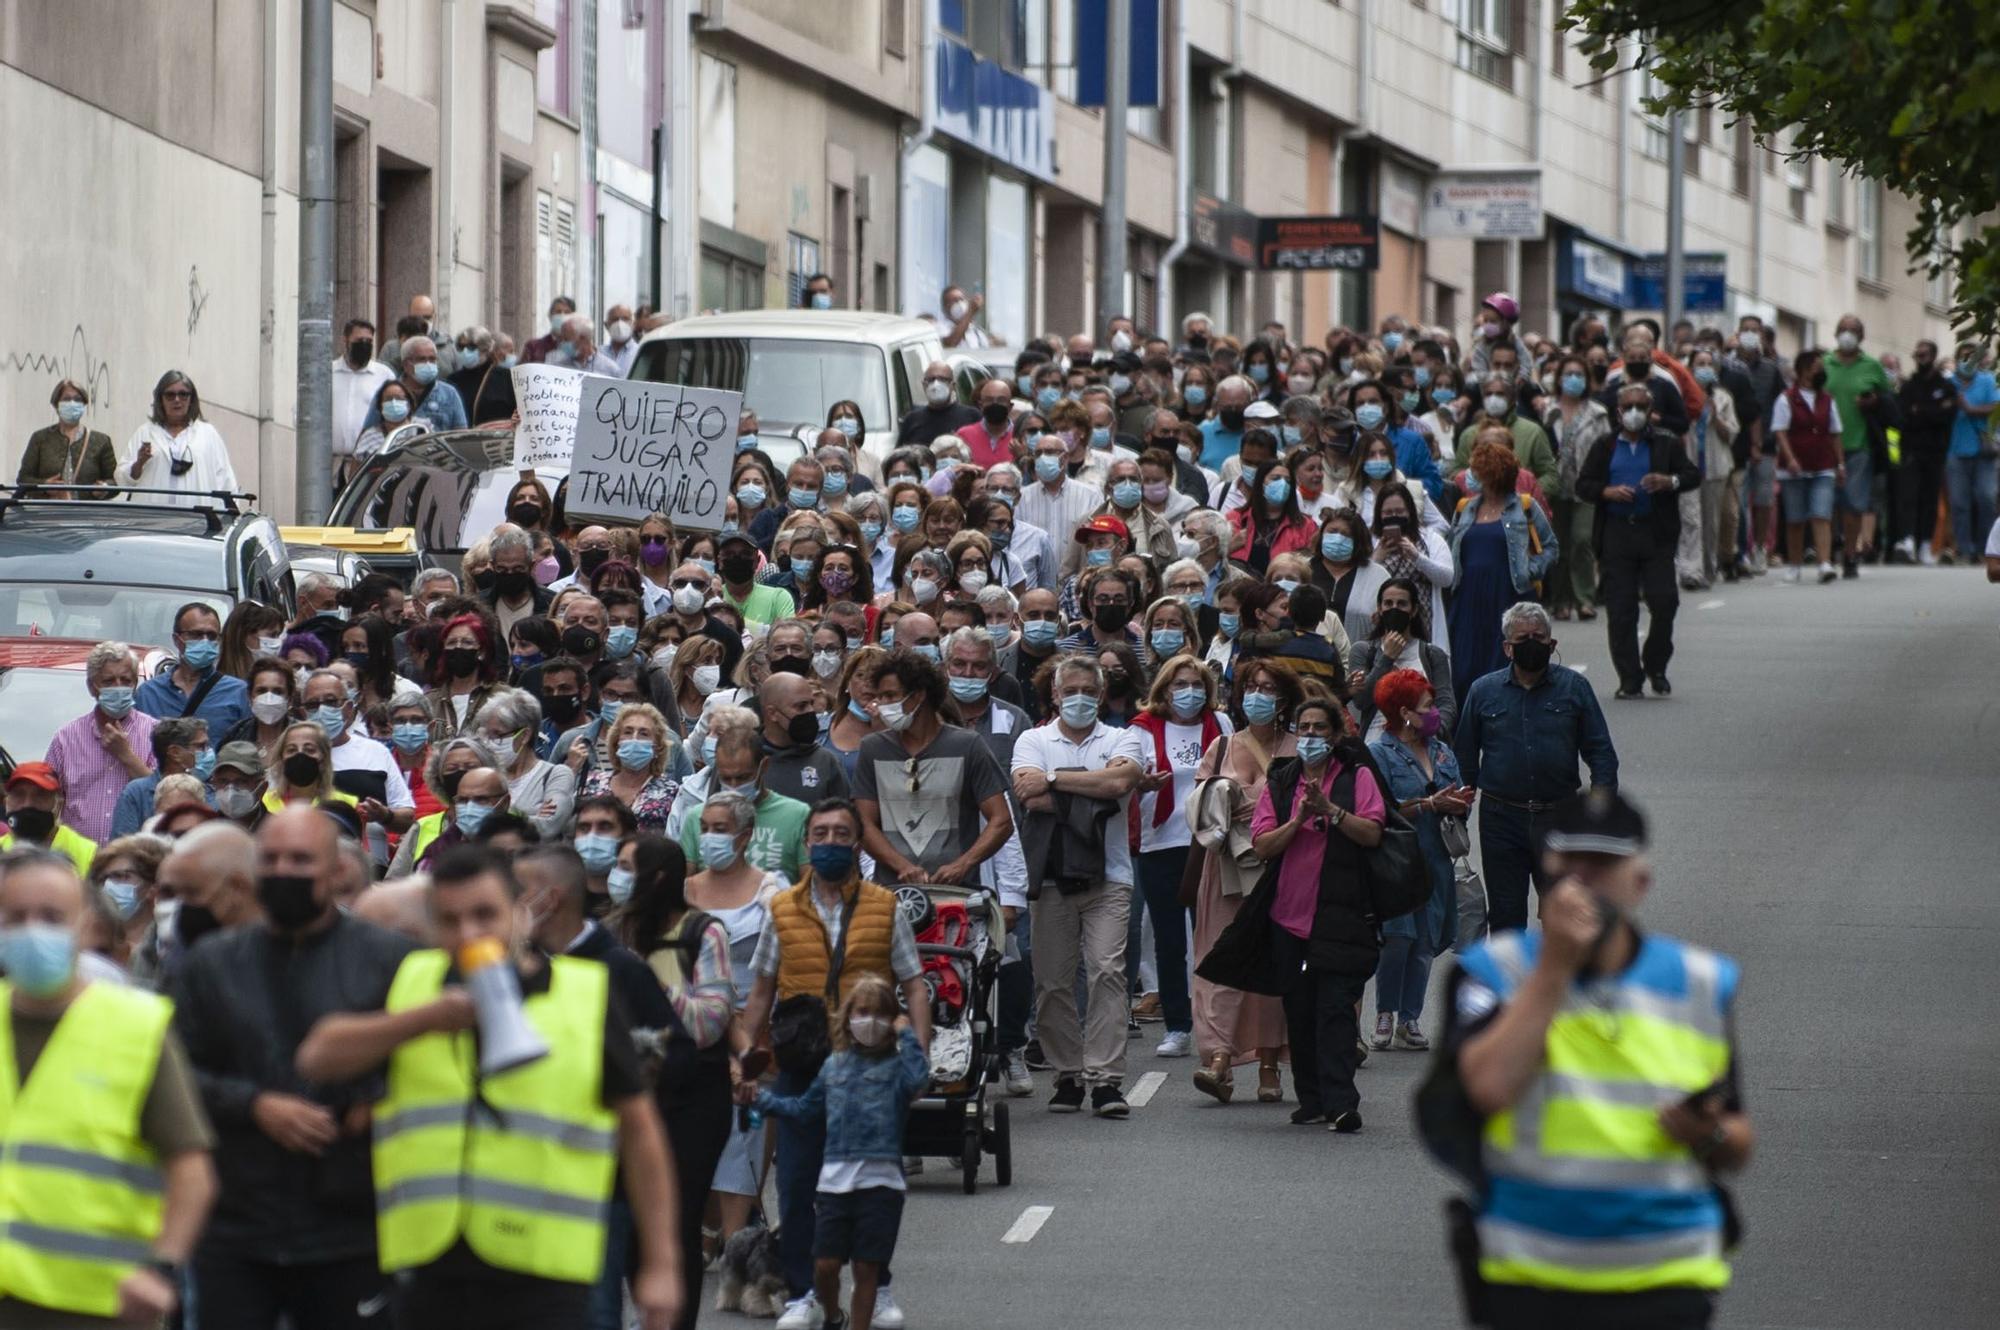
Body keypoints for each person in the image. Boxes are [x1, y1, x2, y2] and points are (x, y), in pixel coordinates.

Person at [294, 844, 683, 1330]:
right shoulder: (413, 982)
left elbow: (642, 1135)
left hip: (545, 1275)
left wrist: (662, 1264)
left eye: (485, 914)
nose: (469, 933)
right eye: (450, 920)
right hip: (428, 1270)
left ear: (522, 913)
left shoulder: (583, 995)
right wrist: (420, 1020)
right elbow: (317, 1057)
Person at [1450, 789, 1752, 1330]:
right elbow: (1488, 1088)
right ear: (1546, 872)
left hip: (1666, 1278)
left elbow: (1737, 1135)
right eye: (1571, 863)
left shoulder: (1699, 982)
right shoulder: (1495, 973)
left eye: (1603, 864)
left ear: (1640, 881)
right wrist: (1555, 969)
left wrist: (1706, 1134)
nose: (1584, 879)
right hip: (1530, 1278)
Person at [171, 811, 416, 1330]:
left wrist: (376, 1096)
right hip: (235, 1225)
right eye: (272, 859)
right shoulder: (210, 963)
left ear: (335, 871)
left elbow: (424, 1063)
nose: (285, 871)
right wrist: (255, 1105)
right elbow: (174, 1072)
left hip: (352, 1227)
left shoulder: (391, 959)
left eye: (301, 860)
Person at [733, 799, 930, 1330]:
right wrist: (744, 1060)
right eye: (820, 833)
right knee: (797, 1186)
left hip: (870, 1065)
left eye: (842, 833)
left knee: (873, 1186)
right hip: (802, 1061)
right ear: (808, 842)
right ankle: (803, 1294)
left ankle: (879, 1287)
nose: (830, 842)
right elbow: (760, 991)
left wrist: (919, 1053)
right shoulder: (781, 910)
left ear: (857, 843)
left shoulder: (885, 906)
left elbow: (912, 983)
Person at [0, 849, 218, 1325]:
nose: (33, 930)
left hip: (99, 1304)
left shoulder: (134, 1027)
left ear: (82, 926)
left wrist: (161, 1268)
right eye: (15, 918)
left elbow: (192, 1170)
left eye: (51, 917)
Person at [597, 837, 735, 1330]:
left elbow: (710, 1022)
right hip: (624, 1094)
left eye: (626, 867)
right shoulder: (609, 934)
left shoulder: (703, 932)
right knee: (626, 1225)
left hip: (692, 1096)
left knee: (676, 1224)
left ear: (657, 876)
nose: (615, 875)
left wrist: (650, 987)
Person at [751, 977, 930, 1330]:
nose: (870, 1021)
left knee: (866, 1267)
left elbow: (918, 1078)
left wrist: (908, 1035)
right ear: (847, 1018)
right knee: (826, 1265)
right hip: (835, 1184)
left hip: (882, 1185)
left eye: (880, 1014)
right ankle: (832, 1314)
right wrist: (759, 1099)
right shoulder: (834, 1067)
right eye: (862, 1012)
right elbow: (804, 1109)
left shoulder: (896, 1069)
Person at [1012, 655, 1147, 1118]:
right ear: (1053, 695)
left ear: (1103, 694)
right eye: (1070, 690)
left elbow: (1120, 783)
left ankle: (1106, 1079)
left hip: (1110, 876)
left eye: (1089, 690)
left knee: (1108, 972)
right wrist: (1092, 786)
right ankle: (1068, 1074)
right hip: (1051, 878)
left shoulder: (1124, 737)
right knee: (1052, 981)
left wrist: (1053, 780)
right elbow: (1026, 795)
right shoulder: (1033, 738)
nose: (1080, 699)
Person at [1246, 696, 1385, 1131]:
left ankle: (1342, 1102)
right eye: (1303, 728)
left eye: (1319, 729)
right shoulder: (1282, 782)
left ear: (1335, 735)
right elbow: (1262, 845)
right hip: (1289, 915)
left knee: (1335, 1010)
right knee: (1300, 1010)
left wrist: (1332, 811)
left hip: (1342, 914)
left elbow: (1373, 832)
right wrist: (1298, 818)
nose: (1310, 737)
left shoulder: (1357, 776)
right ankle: (1312, 1099)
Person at [1453, 603, 1617, 934]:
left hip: (1560, 818)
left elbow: (1601, 753)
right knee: (1506, 916)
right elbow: (1465, 759)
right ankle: (1511, 985)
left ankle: (1557, 982)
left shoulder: (1574, 688)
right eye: (1522, 637)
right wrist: (1456, 817)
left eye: (1538, 637)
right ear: (1507, 648)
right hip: (1501, 820)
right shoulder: (1483, 691)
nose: (1531, 643)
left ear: (1552, 644)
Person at [1366, 669, 1472, 1051]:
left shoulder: (1443, 751)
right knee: (1397, 937)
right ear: (1405, 713)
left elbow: (1456, 799)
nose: (1435, 714)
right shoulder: (1380, 753)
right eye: (1427, 707)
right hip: (1397, 861)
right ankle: (1385, 1013)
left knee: (1427, 942)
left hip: (1436, 859)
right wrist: (1428, 804)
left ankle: (1410, 1018)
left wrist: (1458, 804)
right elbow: (1382, 809)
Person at [1575, 381, 1703, 699]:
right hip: (1617, 534)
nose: (1634, 413)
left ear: (1650, 412)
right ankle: (1629, 678)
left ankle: (1655, 664)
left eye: (1640, 407)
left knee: (1664, 601)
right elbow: (1584, 484)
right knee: (1621, 610)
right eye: (1628, 407)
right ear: (1618, 412)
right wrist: (1607, 492)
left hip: (1655, 534)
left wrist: (1668, 480)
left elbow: (1691, 475)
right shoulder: (1605, 445)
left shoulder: (1665, 443)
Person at [1447, 436, 1558, 702]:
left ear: (1491, 474)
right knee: (1464, 666)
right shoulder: (1465, 508)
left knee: (1504, 664)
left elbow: (1550, 546)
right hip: (1468, 597)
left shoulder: (1525, 507)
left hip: (1509, 594)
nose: (1470, 477)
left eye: (1477, 471)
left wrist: (1531, 571)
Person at [46, 641, 156, 845]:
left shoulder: (154, 733)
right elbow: (48, 802)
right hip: (77, 862)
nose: (118, 687)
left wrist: (127, 756)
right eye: (108, 681)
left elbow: (161, 796)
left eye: (125, 680)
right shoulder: (66, 738)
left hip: (134, 861)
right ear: (92, 687)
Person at [679, 733, 809, 880]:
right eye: (726, 778)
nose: (734, 787)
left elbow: (809, 887)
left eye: (742, 777)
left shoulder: (797, 815)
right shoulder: (699, 817)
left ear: (764, 766)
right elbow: (685, 885)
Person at [1822, 315, 1896, 575]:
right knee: (1827, 503)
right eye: (1842, 329)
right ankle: (1827, 552)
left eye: (1853, 330)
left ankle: (1851, 554)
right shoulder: (1825, 363)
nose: (1847, 334)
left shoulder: (1872, 366)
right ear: (1835, 333)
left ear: (1861, 337)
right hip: (1825, 445)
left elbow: (1889, 403)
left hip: (1860, 444)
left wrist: (1873, 402)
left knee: (1854, 503)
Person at [1347, 577, 1456, 743]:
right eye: (1388, 604)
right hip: (1375, 746)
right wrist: (1387, 658)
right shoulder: (1362, 650)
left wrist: (1434, 731)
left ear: (1413, 610)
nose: (1394, 609)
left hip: (1422, 746)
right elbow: (1361, 701)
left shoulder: (1432, 655)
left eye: (1402, 604)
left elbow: (1446, 703)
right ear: (1379, 608)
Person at [1771, 348, 1846, 585]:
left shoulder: (1827, 400)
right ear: (1804, 371)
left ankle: (1824, 563)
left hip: (1823, 466)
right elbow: (1780, 432)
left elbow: (1835, 434)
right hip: (1793, 469)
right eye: (1817, 368)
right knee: (1795, 518)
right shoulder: (1786, 398)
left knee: (1821, 514)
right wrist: (1790, 458)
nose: (1822, 372)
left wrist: (1840, 463)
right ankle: (1794, 564)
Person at [1546, 353, 1610, 620]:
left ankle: (1585, 597)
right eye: (1568, 374)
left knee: (1582, 540)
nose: (1573, 379)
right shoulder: (1548, 409)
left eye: (1579, 375)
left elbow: (1607, 448)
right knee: (1558, 544)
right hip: (1556, 485)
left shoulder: (1597, 414)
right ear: (1559, 378)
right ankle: (1561, 600)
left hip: (1585, 486)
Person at [123, 370, 240, 505]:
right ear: (160, 400)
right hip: (153, 521)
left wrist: (229, 515)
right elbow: (123, 479)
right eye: (170, 395)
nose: (177, 400)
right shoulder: (145, 432)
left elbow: (225, 480)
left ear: (191, 399)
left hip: (197, 521)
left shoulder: (207, 434)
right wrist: (139, 463)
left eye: (183, 394)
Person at [137, 601, 253, 734]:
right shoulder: (149, 693)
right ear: (177, 640)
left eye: (211, 636)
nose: (205, 641)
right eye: (196, 635)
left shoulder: (238, 692)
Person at [477, 687, 576, 839]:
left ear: (524, 735)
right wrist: (529, 817)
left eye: (497, 734)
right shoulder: (482, 776)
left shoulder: (555, 775)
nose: (489, 743)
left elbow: (548, 826)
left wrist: (489, 818)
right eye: (486, 735)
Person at [1896, 340, 1959, 566]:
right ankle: (1908, 540)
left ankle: (1925, 544)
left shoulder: (1945, 385)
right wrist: (1931, 411)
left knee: (1930, 499)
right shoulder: (1909, 386)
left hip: (1935, 451)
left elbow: (1947, 413)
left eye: (1924, 355)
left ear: (1933, 356)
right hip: (1912, 449)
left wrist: (1921, 412)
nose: (1920, 359)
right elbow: (1903, 414)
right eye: (1917, 355)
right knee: (1909, 497)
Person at [758, 672, 852, 805]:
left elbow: (845, 817)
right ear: (772, 713)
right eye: (801, 706)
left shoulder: (825, 761)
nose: (810, 711)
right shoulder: (747, 760)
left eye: (811, 703)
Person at [1946, 342, 1999, 566]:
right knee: (1959, 502)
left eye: (1972, 357)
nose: (1967, 360)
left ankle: (1985, 548)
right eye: (1964, 356)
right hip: (1956, 450)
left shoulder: (1987, 381)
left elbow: (1996, 405)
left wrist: (1970, 409)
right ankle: (1964, 548)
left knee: (1986, 498)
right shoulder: (1949, 383)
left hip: (1983, 451)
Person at [110, 717, 208, 838]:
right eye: (200, 746)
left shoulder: (210, 791)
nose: (207, 752)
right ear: (175, 752)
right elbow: (122, 847)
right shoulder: (137, 793)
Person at [20, 378, 119, 494]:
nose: (72, 403)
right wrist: (44, 486)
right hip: (47, 510)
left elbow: (115, 481)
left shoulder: (101, 441)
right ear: (56, 404)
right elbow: (23, 479)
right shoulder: (40, 438)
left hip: (87, 510)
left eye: (78, 400)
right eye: (66, 399)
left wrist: (105, 488)